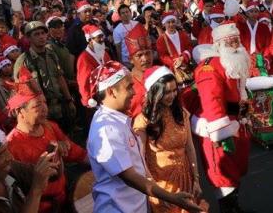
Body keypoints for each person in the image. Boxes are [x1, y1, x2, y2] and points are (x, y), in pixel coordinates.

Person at [86, 61, 201, 213]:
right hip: (119, 207)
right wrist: (170, 197)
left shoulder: (118, 120)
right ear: (111, 92)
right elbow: (130, 177)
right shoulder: (107, 129)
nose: (134, 92)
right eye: (129, 87)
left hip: (135, 203)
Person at [185, 23, 251, 212]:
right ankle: (228, 209)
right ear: (220, 44)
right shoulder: (210, 67)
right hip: (218, 127)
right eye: (231, 41)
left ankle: (234, 207)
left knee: (236, 168)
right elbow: (211, 101)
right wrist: (219, 134)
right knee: (222, 173)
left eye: (237, 40)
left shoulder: (233, 60)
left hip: (235, 122)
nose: (236, 45)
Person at [133, 66, 208, 213]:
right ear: (155, 92)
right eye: (166, 92)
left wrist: (196, 180)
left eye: (174, 90)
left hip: (186, 178)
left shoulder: (181, 113)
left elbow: (190, 148)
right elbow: (140, 158)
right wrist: (154, 190)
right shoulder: (143, 121)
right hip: (162, 185)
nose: (172, 95)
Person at [6, 80, 88, 213]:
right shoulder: (11, 145)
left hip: (65, 199)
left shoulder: (50, 126)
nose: (45, 108)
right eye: (37, 105)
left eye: (44, 102)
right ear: (20, 111)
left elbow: (75, 152)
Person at [0, 123, 59, 212]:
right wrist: (36, 190)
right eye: (0, 155)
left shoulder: (10, 168)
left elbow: (52, 175)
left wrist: (52, 157)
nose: (10, 157)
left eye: (6, 150)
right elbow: (38, 184)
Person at [13, 22, 75, 132]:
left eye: (43, 33)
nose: (41, 37)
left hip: (59, 106)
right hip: (41, 111)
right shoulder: (23, 61)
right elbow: (21, 92)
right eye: (36, 34)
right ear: (28, 38)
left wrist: (69, 99)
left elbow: (60, 78)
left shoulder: (51, 54)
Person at [76, 24, 111, 107]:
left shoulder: (104, 53)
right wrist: (87, 99)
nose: (102, 39)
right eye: (99, 37)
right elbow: (83, 81)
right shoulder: (84, 58)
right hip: (95, 98)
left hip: (108, 94)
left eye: (102, 36)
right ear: (90, 40)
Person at [156, 12, 193, 81]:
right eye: (168, 22)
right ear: (164, 24)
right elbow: (162, 56)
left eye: (173, 22)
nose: (171, 24)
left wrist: (183, 57)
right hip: (173, 69)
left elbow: (190, 47)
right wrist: (175, 63)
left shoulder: (183, 34)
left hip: (186, 65)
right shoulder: (161, 40)